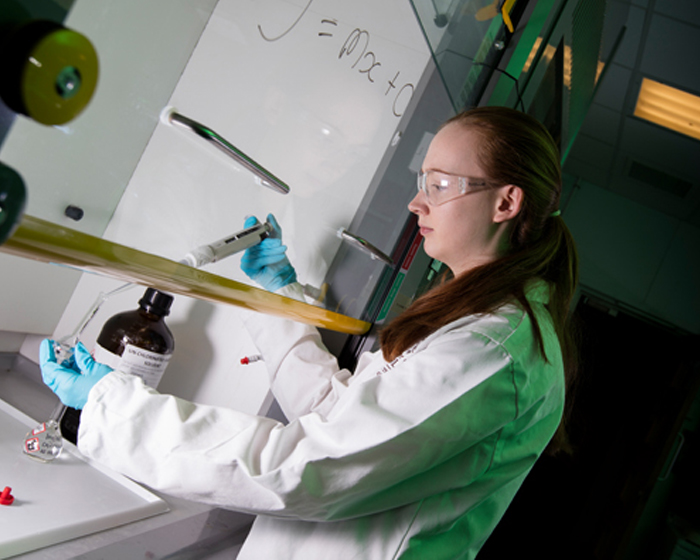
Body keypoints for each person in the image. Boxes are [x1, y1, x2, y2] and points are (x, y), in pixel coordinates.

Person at [40, 106, 579, 559]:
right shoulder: (470, 319)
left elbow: (308, 468)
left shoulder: (490, 351)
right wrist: (279, 293)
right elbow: (337, 410)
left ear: (506, 203)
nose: (418, 203)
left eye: (439, 185)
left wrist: (113, 406)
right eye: (422, 183)